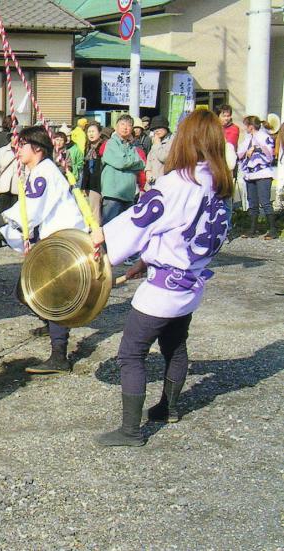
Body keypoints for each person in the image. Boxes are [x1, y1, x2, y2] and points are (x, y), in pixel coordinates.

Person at [92, 109, 233, 447]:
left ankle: (130, 431)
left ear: (186, 140)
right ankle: (168, 408)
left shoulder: (178, 182)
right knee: (174, 346)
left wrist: (102, 238)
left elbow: (139, 221)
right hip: (191, 282)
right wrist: (146, 259)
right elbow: (182, 231)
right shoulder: (221, 184)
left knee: (131, 353)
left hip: (163, 289)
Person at [0, 126, 87, 374]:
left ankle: (59, 356)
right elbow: (27, 220)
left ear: (38, 149)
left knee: (51, 297)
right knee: (25, 292)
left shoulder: (43, 173)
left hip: (64, 242)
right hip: (52, 239)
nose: (17, 150)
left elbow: (28, 215)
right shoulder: (38, 172)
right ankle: (51, 323)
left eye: (22, 146)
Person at [101, 114, 145, 224]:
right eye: (122, 124)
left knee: (125, 229)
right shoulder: (111, 143)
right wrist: (132, 162)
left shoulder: (132, 146)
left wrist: (128, 161)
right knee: (109, 227)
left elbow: (141, 164)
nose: (126, 127)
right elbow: (121, 162)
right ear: (116, 126)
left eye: (129, 125)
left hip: (128, 195)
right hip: (113, 193)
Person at [237, 115, 276, 239]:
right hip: (250, 174)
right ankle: (253, 229)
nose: (245, 128)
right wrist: (246, 150)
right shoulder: (247, 138)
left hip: (263, 173)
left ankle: (273, 229)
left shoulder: (264, 136)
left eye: (246, 126)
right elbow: (240, 153)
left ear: (251, 126)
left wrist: (256, 147)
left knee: (265, 202)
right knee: (252, 202)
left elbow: (270, 154)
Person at [81, 121, 105, 225]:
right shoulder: (89, 147)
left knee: (95, 211)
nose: (91, 134)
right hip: (90, 183)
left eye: (93, 131)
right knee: (91, 209)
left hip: (99, 183)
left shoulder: (103, 146)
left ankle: (96, 231)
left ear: (99, 133)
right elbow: (86, 167)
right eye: (89, 131)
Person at [145, 115, 174, 186]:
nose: (157, 130)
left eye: (159, 127)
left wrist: (157, 144)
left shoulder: (172, 140)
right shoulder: (156, 139)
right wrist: (147, 171)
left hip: (164, 183)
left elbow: (164, 157)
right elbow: (150, 158)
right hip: (151, 183)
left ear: (166, 128)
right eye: (154, 128)